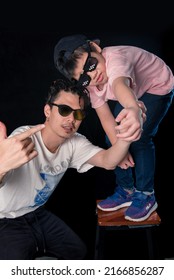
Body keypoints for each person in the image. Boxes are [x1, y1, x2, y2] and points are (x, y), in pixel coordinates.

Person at [0, 78, 133, 260]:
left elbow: (108, 160)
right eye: (64, 110)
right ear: (48, 110)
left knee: (76, 251)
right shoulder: (24, 139)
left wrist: (128, 133)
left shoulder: (74, 142)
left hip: (37, 213)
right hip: (5, 220)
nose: (71, 119)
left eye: (78, 114)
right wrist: (2, 166)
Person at [53, 34, 174, 222]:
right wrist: (120, 149)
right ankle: (126, 190)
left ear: (95, 47)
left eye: (91, 65)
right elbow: (105, 118)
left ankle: (146, 194)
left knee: (139, 138)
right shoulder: (90, 86)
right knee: (113, 140)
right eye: (84, 78)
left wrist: (133, 108)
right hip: (133, 92)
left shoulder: (116, 59)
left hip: (156, 86)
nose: (93, 76)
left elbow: (119, 85)